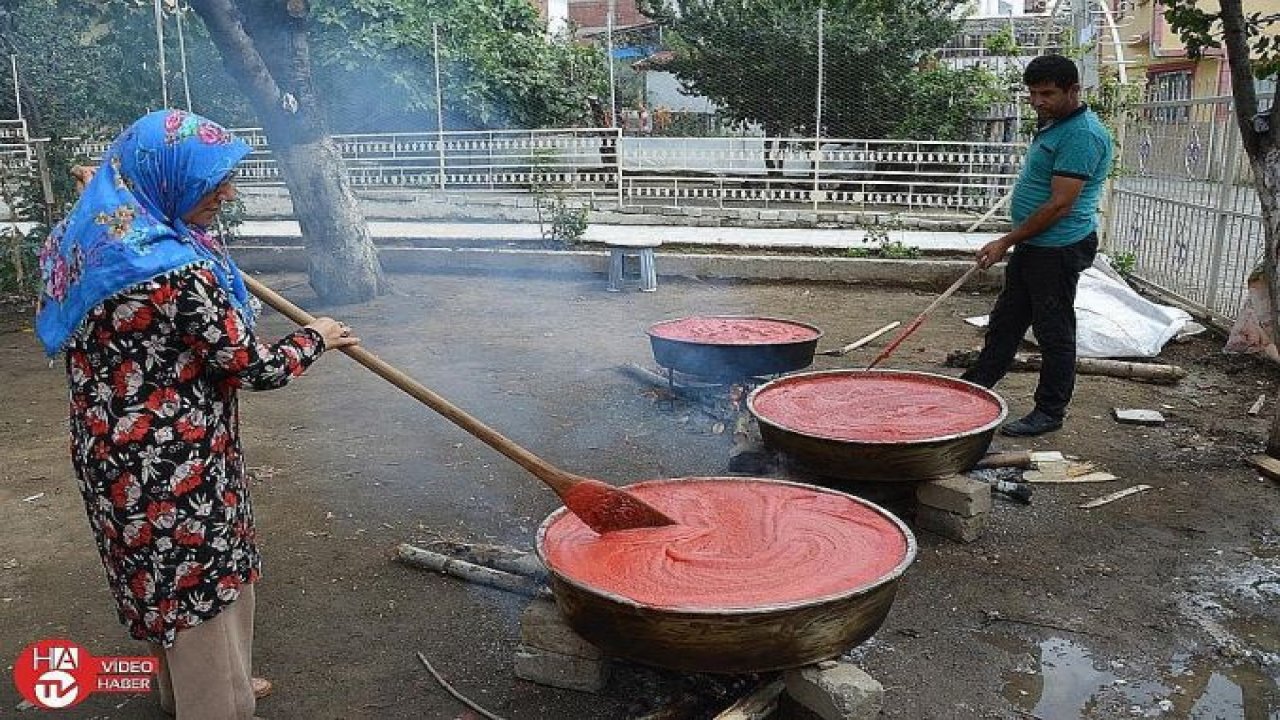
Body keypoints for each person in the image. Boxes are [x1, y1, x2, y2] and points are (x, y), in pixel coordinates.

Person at [35, 110, 359, 719]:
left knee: (157, 578)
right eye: (211, 182)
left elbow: (104, 224)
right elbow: (254, 367)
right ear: (167, 179)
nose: (227, 194)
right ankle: (215, 703)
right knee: (201, 586)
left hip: (109, 453)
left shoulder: (90, 237)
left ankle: (191, 692)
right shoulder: (176, 273)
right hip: (176, 462)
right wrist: (316, 336)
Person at [960, 55, 1113, 437]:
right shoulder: (1055, 124)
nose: (1037, 101)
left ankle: (1049, 410)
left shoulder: (1081, 135)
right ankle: (975, 387)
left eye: (1047, 93)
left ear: (1073, 90)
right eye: (1032, 93)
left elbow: (1060, 204)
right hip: (1036, 243)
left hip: (1058, 247)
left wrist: (1006, 241)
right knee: (1006, 321)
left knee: (1053, 331)